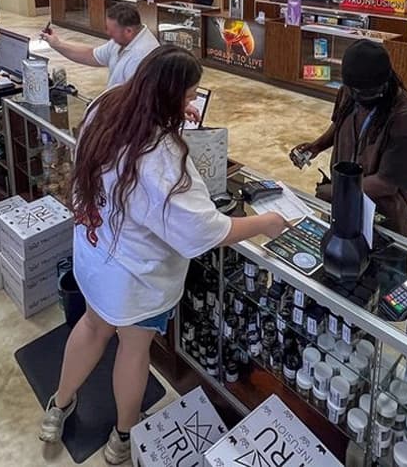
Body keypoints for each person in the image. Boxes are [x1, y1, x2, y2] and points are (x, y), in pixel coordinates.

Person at [39, 47, 286, 459]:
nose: (191, 104)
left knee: (92, 326)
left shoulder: (107, 104)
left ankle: (59, 404)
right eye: (187, 96)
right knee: (133, 350)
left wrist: (172, 114)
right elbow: (204, 231)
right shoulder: (161, 157)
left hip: (97, 254)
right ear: (168, 95)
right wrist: (265, 223)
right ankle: (122, 436)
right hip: (136, 277)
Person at [290, 40, 407, 237]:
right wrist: (317, 146)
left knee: (374, 255)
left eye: (367, 93)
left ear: (385, 82)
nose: (360, 98)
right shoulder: (350, 92)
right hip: (342, 204)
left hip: (381, 217)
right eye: (354, 92)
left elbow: (387, 183)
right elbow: (340, 123)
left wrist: (337, 191)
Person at [41, 2, 159, 89]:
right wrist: (57, 44)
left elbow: (134, 100)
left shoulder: (141, 56)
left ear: (128, 31)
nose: (107, 33)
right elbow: (91, 55)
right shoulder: (121, 41)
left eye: (111, 30)